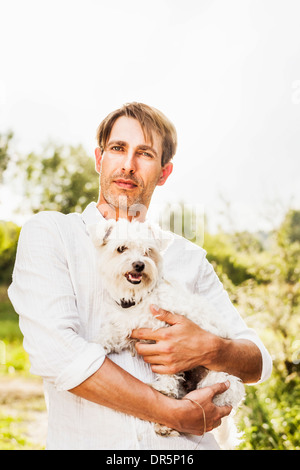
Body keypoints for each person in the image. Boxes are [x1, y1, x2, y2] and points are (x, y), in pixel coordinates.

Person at [8, 102, 272, 450]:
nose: (128, 165)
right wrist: (172, 413)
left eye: (145, 153)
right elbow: (58, 355)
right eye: (118, 148)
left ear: (164, 173)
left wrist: (212, 348)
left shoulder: (188, 258)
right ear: (99, 158)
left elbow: (258, 364)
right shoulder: (53, 235)